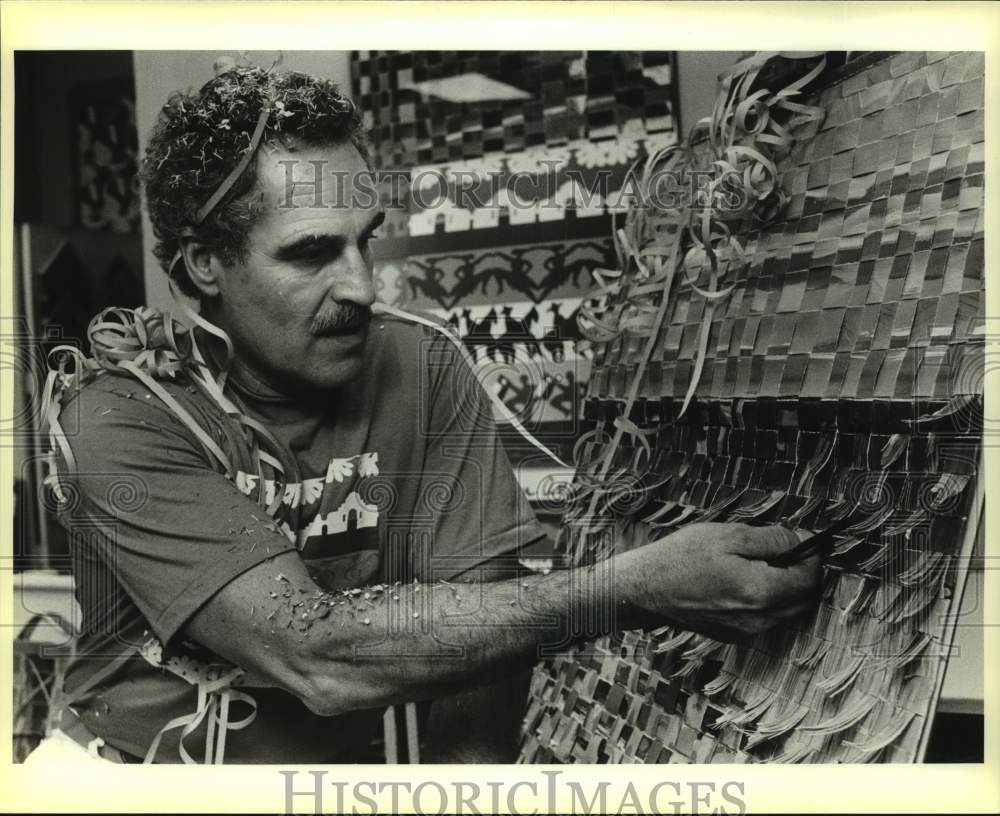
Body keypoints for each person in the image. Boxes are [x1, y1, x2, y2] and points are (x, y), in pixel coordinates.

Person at [28, 66, 819, 766]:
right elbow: (316, 653)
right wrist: (627, 590)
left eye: (364, 242)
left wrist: (458, 789)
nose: (362, 288)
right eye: (309, 254)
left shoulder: (420, 365)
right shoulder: (122, 415)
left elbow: (488, 626)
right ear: (206, 265)